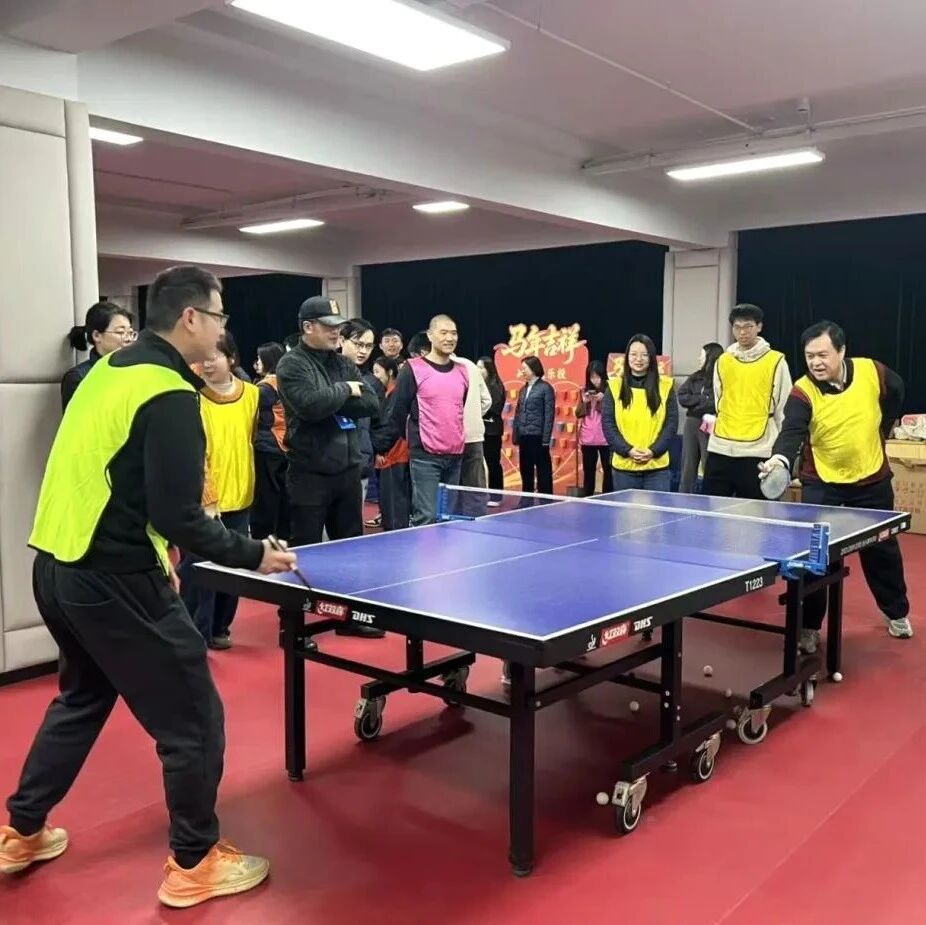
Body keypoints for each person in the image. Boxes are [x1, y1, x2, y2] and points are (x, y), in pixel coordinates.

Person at [1, 265, 296, 907]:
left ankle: (21, 831)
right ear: (191, 318)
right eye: (219, 315)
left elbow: (128, 482)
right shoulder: (168, 393)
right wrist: (254, 554)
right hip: (115, 577)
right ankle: (194, 861)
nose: (222, 329)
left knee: (82, 698)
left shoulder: (109, 371)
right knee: (193, 717)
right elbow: (179, 516)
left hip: (56, 565)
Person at [760, 320, 913, 648]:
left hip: (872, 479)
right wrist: (779, 460)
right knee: (816, 558)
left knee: (882, 550)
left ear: (842, 351)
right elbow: (792, 431)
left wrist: (883, 424)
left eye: (822, 354)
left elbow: (897, 392)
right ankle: (809, 627)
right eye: (809, 356)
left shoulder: (873, 372)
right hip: (823, 483)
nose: (815, 362)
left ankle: (896, 612)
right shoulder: (802, 391)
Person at [275, 297, 380, 558]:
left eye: (338, 326)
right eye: (329, 326)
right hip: (309, 474)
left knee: (351, 551)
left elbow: (370, 403)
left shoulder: (343, 363)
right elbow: (310, 406)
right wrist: (345, 389)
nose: (336, 332)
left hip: (348, 473)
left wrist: (330, 400)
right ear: (308, 327)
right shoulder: (292, 363)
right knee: (307, 552)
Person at [178, 332, 260, 649]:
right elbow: (193, 452)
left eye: (214, 356)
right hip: (204, 502)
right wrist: (206, 496)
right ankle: (195, 633)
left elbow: (250, 438)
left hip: (241, 495)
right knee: (199, 570)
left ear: (232, 358)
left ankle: (220, 627)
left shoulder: (252, 395)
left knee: (233, 568)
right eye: (202, 358)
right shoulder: (191, 397)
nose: (207, 363)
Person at [373, 314, 469, 526]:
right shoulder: (413, 368)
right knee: (426, 516)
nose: (449, 338)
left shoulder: (463, 371)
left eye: (454, 333)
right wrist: (387, 445)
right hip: (425, 456)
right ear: (430, 336)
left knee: (448, 518)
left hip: (455, 455)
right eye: (443, 333)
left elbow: (457, 408)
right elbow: (398, 411)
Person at [703, 304, 792, 498]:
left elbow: (784, 408)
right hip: (720, 447)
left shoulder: (776, 361)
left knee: (756, 511)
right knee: (711, 509)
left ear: (759, 327)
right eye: (737, 327)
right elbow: (719, 400)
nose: (742, 332)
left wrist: (781, 450)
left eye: (748, 326)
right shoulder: (723, 361)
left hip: (758, 450)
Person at [602, 334, 678, 492]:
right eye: (634, 354)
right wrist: (627, 450)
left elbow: (671, 424)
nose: (638, 359)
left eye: (644, 355)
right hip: (624, 468)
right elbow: (608, 424)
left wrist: (653, 451)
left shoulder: (665, 386)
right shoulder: (614, 387)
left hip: (657, 469)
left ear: (651, 358)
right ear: (627, 357)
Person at [338, 320, 382, 504]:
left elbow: (380, 423)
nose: (363, 351)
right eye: (358, 344)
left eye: (368, 346)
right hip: (325, 462)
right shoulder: (324, 373)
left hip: (359, 462)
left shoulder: (373, 383)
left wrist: (370, 448)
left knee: (353, 519)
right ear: (342, 340)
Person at [61, 302, 135, 410]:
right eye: (120, 332)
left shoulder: (136, 370)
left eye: (130, 333)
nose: (128, 339)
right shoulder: (79, 377)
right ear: (97, 335)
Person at [251, 342, 290, 542]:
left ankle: (263, 540)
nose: (256, 363)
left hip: (267, 446)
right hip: (287, 445)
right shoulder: (289, 381)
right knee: (285, 498)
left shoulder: (264, 388)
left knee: (265, 498)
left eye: (259, 359)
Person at [371, 356, 411, 530]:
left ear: (390, 372)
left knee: (395, 508)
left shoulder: (396, 394)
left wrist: (380, 449)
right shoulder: (386, 394)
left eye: (377, 372)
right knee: (389, 507)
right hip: (388, 455)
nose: (374, 376)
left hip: (396, 455)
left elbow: (392, 427)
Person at [678, 342, 724, 493]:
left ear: (710, 357)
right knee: (688, 464)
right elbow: (682, 396)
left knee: (708, 462)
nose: (699, 358)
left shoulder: (721, 378)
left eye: (702, 355)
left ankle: (711, 496)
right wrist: (701, 400)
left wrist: (702, 403)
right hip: (692, 422)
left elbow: (716, 402)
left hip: (711, 423)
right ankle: (684, 496)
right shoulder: (695, 377)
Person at [512, 356, 555, 494]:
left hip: (538, 436)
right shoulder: (523, 389)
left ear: (533, 368)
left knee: (543, 470)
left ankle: (546, 499)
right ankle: (526, 498)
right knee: (525, 470)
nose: (522, 371)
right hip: (524, 435)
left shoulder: (545, 388)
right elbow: (518, 413)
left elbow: (549, 415)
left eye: (525, 368)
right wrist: (516, 435)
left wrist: (546, 439)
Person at [454, 352, 492, 488]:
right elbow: (486, 400)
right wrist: (473, 415)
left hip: (445, 438)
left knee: (449, 488)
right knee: (475, 485)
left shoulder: (430, 368)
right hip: (473, 435)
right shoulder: (470, 365)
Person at [575, 360, 613, 496]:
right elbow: (578, 413)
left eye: (597, 377)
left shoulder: (610, 390)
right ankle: (587, 498)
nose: (595, 380)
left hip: (606, 438)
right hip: (588, 438)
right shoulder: (584, 391)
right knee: (588, 471)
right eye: (592, 377)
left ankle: (609, 497)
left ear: (603, 376)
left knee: (608, 471)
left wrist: (605, 399)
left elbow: (615, 413)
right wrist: (584, 402)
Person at [478, 357, 506, 492]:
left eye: (481, 368)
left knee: (493, 462)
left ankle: (496, 493)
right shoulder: (480, 385)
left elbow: (494, 408)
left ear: (489, 369)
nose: (478, 370)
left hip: (492, 430)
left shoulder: (495, 386)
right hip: (482, 430)